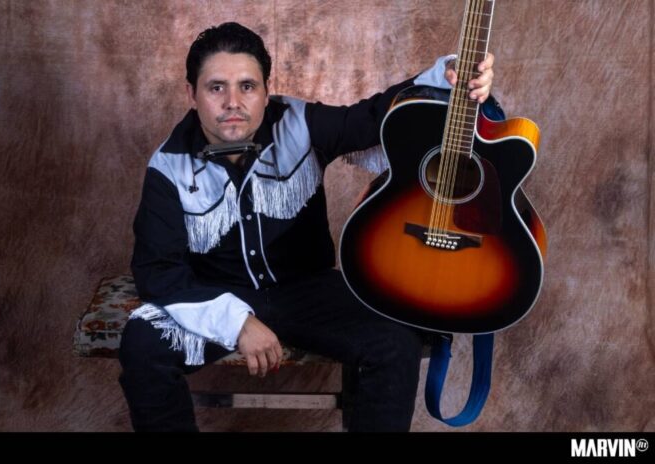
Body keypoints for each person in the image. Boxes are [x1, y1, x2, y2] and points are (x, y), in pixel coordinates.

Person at [118, 21, 496, 432]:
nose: (232, 102)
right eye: (216, 87)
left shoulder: (299, 121)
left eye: (247, 86)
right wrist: (237, 322)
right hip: (216, 294)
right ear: (192, 94)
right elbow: (158, 271)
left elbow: (372, 117)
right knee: (142, 346)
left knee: (395, 341)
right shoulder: (168, 165)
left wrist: (449, 76)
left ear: (266, 92)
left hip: (308, 291)